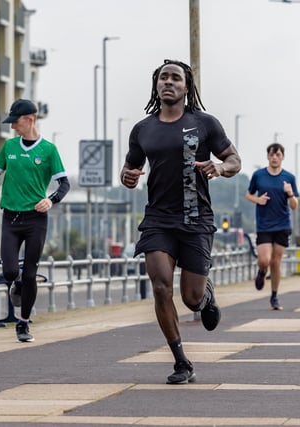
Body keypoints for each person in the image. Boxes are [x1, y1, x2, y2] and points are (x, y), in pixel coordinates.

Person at [120, 59, 241, 385]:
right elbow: (129, 168)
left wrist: (221, 168)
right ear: (156, 84)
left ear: (187, 87)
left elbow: (234, 159)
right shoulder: (143, 129)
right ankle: (181, 361)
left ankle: (205, 297)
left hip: (195, 219)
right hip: (158, 219)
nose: (168, 82)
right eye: (163, 78)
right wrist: (128, 177)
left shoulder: (204, 123)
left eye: (175, 78)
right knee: (160, 286)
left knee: (190, 298)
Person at [0, 99, 70, 342]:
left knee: (30, 274)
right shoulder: (9, 147)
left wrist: (50, 200)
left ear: (30, 120)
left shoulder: (49, 150)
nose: (12, 127)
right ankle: (15, 283)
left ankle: (23, 322)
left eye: (15, 122)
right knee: (10, 271)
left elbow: (64, 184)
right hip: (10, 217)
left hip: (36, 220)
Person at [246, 143, 298, 310]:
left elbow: (294, 205)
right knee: (264, 260)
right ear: (268, 156)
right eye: (272, 155)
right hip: (264, 224)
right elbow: (248, 194)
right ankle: (261, 272)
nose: (275, 157)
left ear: (283, 157)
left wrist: (290, 193)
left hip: (282, 224)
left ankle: (274, 297)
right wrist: (258, 200)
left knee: (276, 262)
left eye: (278, 155)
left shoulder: (289, 178)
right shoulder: (259, 175)